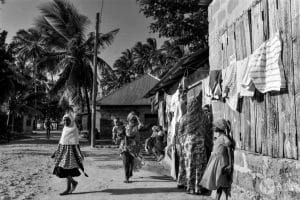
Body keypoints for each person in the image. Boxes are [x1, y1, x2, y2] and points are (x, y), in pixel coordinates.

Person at [51, 112, 87, 195]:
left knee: (67, 170)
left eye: (67, 120)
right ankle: (73, 183)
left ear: (71, 120)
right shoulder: (64, 128)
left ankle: (68, 188)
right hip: (63, 151)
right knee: (60, 169)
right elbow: (61, 141)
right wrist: (56, 152)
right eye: (64, 120)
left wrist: (80, 153)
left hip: (71, 152)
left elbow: (76, 142)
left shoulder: (74, 129)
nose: (65, 122)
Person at [200, 119, 234, 200]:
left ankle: (218, 198)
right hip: (215, 161)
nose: (213, 128)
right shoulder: (219, 137)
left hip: (221, 162)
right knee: (218, 180)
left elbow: (229, 150)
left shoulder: (224, 138)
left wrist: (229, 164)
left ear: (219, 127)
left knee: (220, 180)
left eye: (215, 126)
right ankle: (218, 197)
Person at [184, 93, 210, 195]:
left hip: (189, 143)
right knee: (199, 165)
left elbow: (183, 131)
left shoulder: (186, 117)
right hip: (200, 141)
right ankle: (198, 188)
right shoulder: (203, 116)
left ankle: (190, 188)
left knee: (190, 164)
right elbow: (206, 129)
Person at [119, 111, 143, 183]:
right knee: (126, 162)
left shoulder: (136, 127)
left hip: (134, 148)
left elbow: (141, 124)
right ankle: (126, 178)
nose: (133, 121)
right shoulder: (125, 127)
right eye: (131, 120)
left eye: (134, 120)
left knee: (131, 162)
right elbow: (126, 134)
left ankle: (129, 173)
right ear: (128, 120)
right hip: (125, 147)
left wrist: (137, 118)